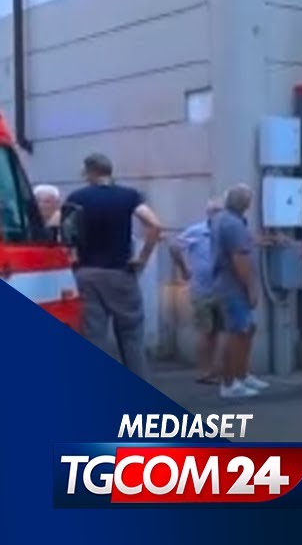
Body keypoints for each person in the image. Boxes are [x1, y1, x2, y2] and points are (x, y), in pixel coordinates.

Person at [65, 153, 163, 380]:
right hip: (120, 273)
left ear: (89, 172)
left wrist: (72, 256)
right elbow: (154, 225)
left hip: (87, 273)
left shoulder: (77, 198)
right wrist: (142, 258)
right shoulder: (129, 196)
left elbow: (63, 230)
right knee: (131, 335)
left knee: (94, 335)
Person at [211, 184, 266, 399]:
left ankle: (241, 375)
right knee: (237, 332)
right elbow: (239, 259)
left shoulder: (225, 220)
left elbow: (244, 244)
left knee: (247, 329)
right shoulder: (233, 224)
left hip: (228, 285)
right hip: (233, 287)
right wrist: (251, 288)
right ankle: (230, 382)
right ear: (245, 203)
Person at [171, 197, 224, 385]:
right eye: (214, 211)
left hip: (222, 288)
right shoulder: (197, 231)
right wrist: (184, 269)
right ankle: (203, 371)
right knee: (205, 331)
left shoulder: (225, 232)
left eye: (220, 212)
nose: (217, 215)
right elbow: (175, 246)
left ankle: (215, 370)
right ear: (208, 213)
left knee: (217, 331)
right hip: (202, 289)